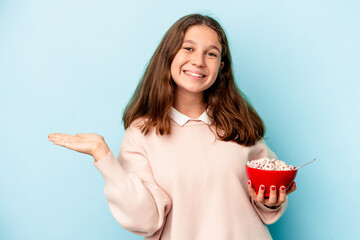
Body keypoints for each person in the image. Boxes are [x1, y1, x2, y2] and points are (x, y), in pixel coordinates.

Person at [48, 13, 296, 240]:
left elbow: (267, 201)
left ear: (221, 67)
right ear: (169, 55)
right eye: (188, 48)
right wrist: (103, 156)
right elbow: (145, 220)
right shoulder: (142, 133)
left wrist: (271, 202)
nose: (198, 61)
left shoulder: (238, 126)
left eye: (211, 53)